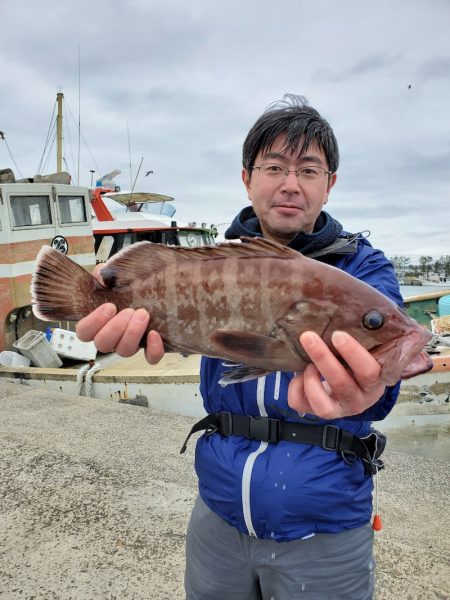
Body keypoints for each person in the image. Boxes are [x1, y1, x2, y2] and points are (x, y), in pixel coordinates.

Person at [77, 94, 402, 599]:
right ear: (247, 178)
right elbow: (178, 321)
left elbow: (383, 390)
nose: (290, 184)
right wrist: (120, 307)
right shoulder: (212, 259)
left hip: (326, 528)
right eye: (274, 167)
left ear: (329, 184)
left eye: (309, 170)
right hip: (218, 518)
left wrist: (369, 389)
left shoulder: (364, 272)